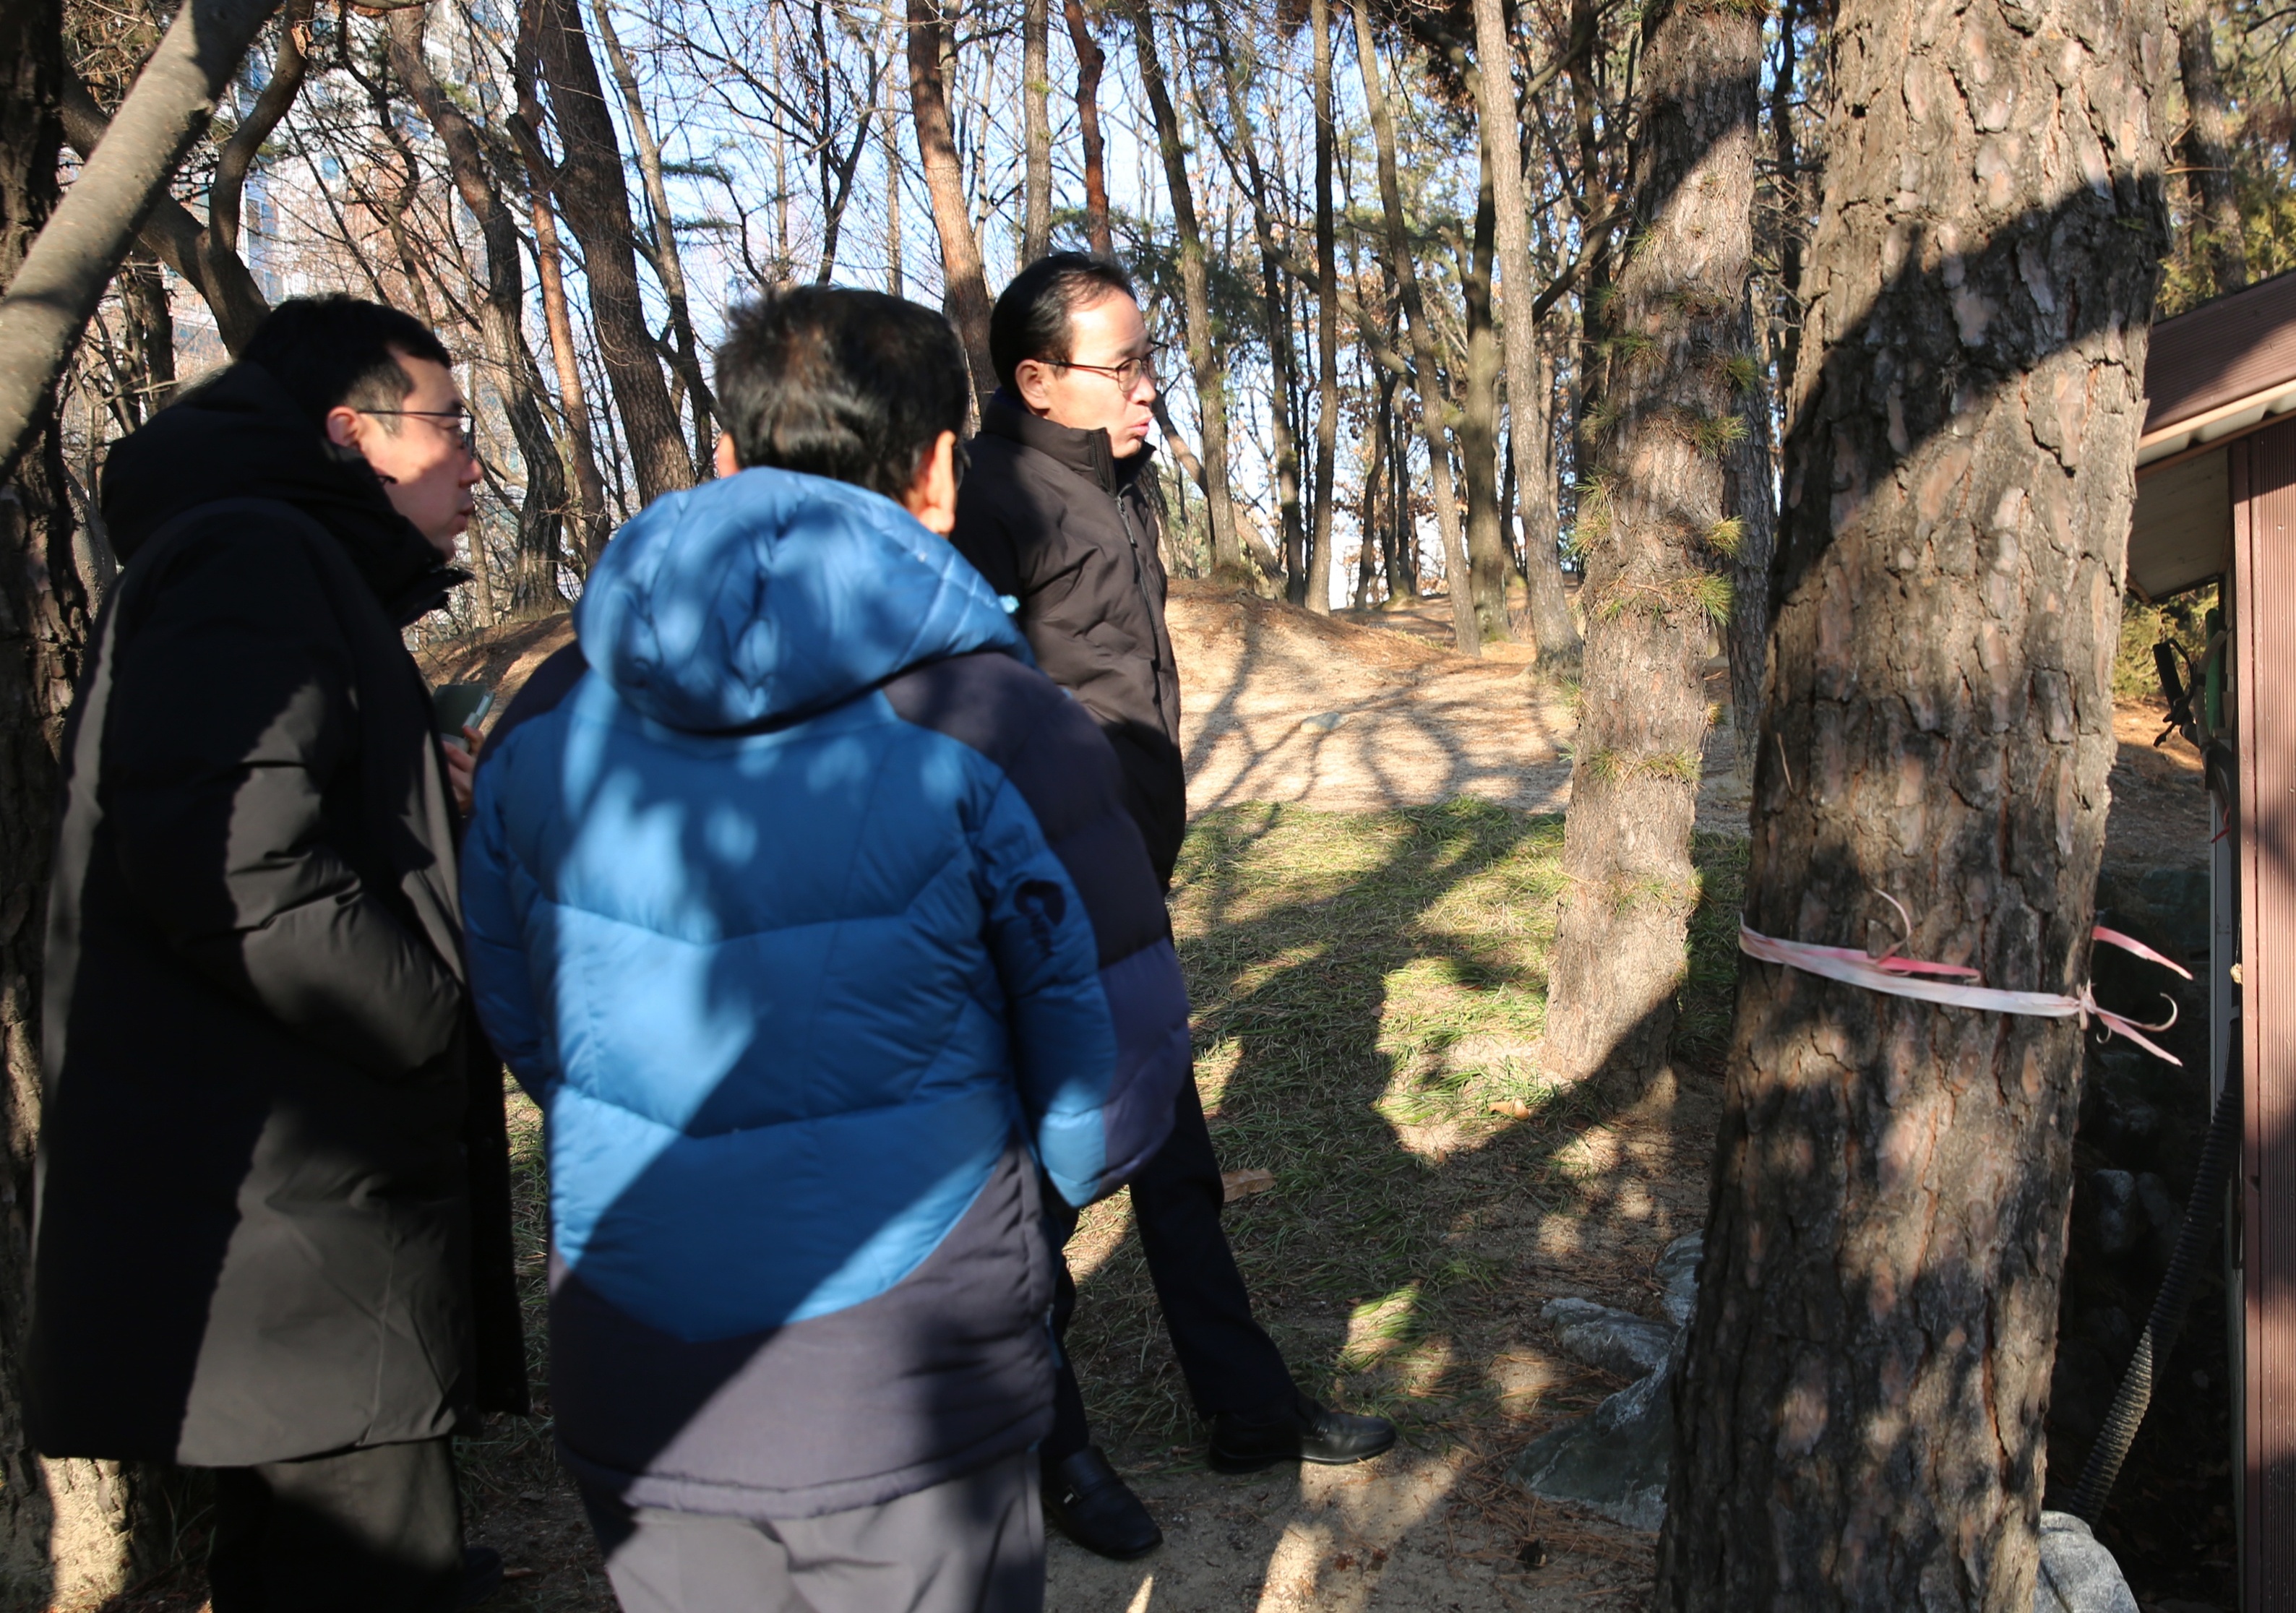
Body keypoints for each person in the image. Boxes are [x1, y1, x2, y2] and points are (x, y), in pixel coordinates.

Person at [457, 284, 1192, 1613]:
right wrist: (1030, 1203)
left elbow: (523, 1018)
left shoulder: (549, 710)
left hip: (638, 1347)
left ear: (727, 459)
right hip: (909, 1374)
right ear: (934, 476)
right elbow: (1114, 1060)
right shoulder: (1001, 720)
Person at [29, 294, 523, 1612]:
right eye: (449, 424)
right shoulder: (249, 558)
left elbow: (271, 814)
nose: (475, 458)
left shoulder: (274, 560)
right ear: (350, 431)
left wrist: (421, 783)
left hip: (291, 1220)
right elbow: (233, 872)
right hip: (290, 1218)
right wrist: (427, 1015)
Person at [950, 253, 1396, 1562]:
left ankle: (1245, 1408)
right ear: (1037, 379)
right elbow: (962, 717)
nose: (1150, 388)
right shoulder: (996, 500)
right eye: (1125, 365)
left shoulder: (1109, 487)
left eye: (1152, 360)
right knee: (1039, 1196)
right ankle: (1048, 1444)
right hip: (1045, 908)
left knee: (1177, 1164)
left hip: (1127, 886)